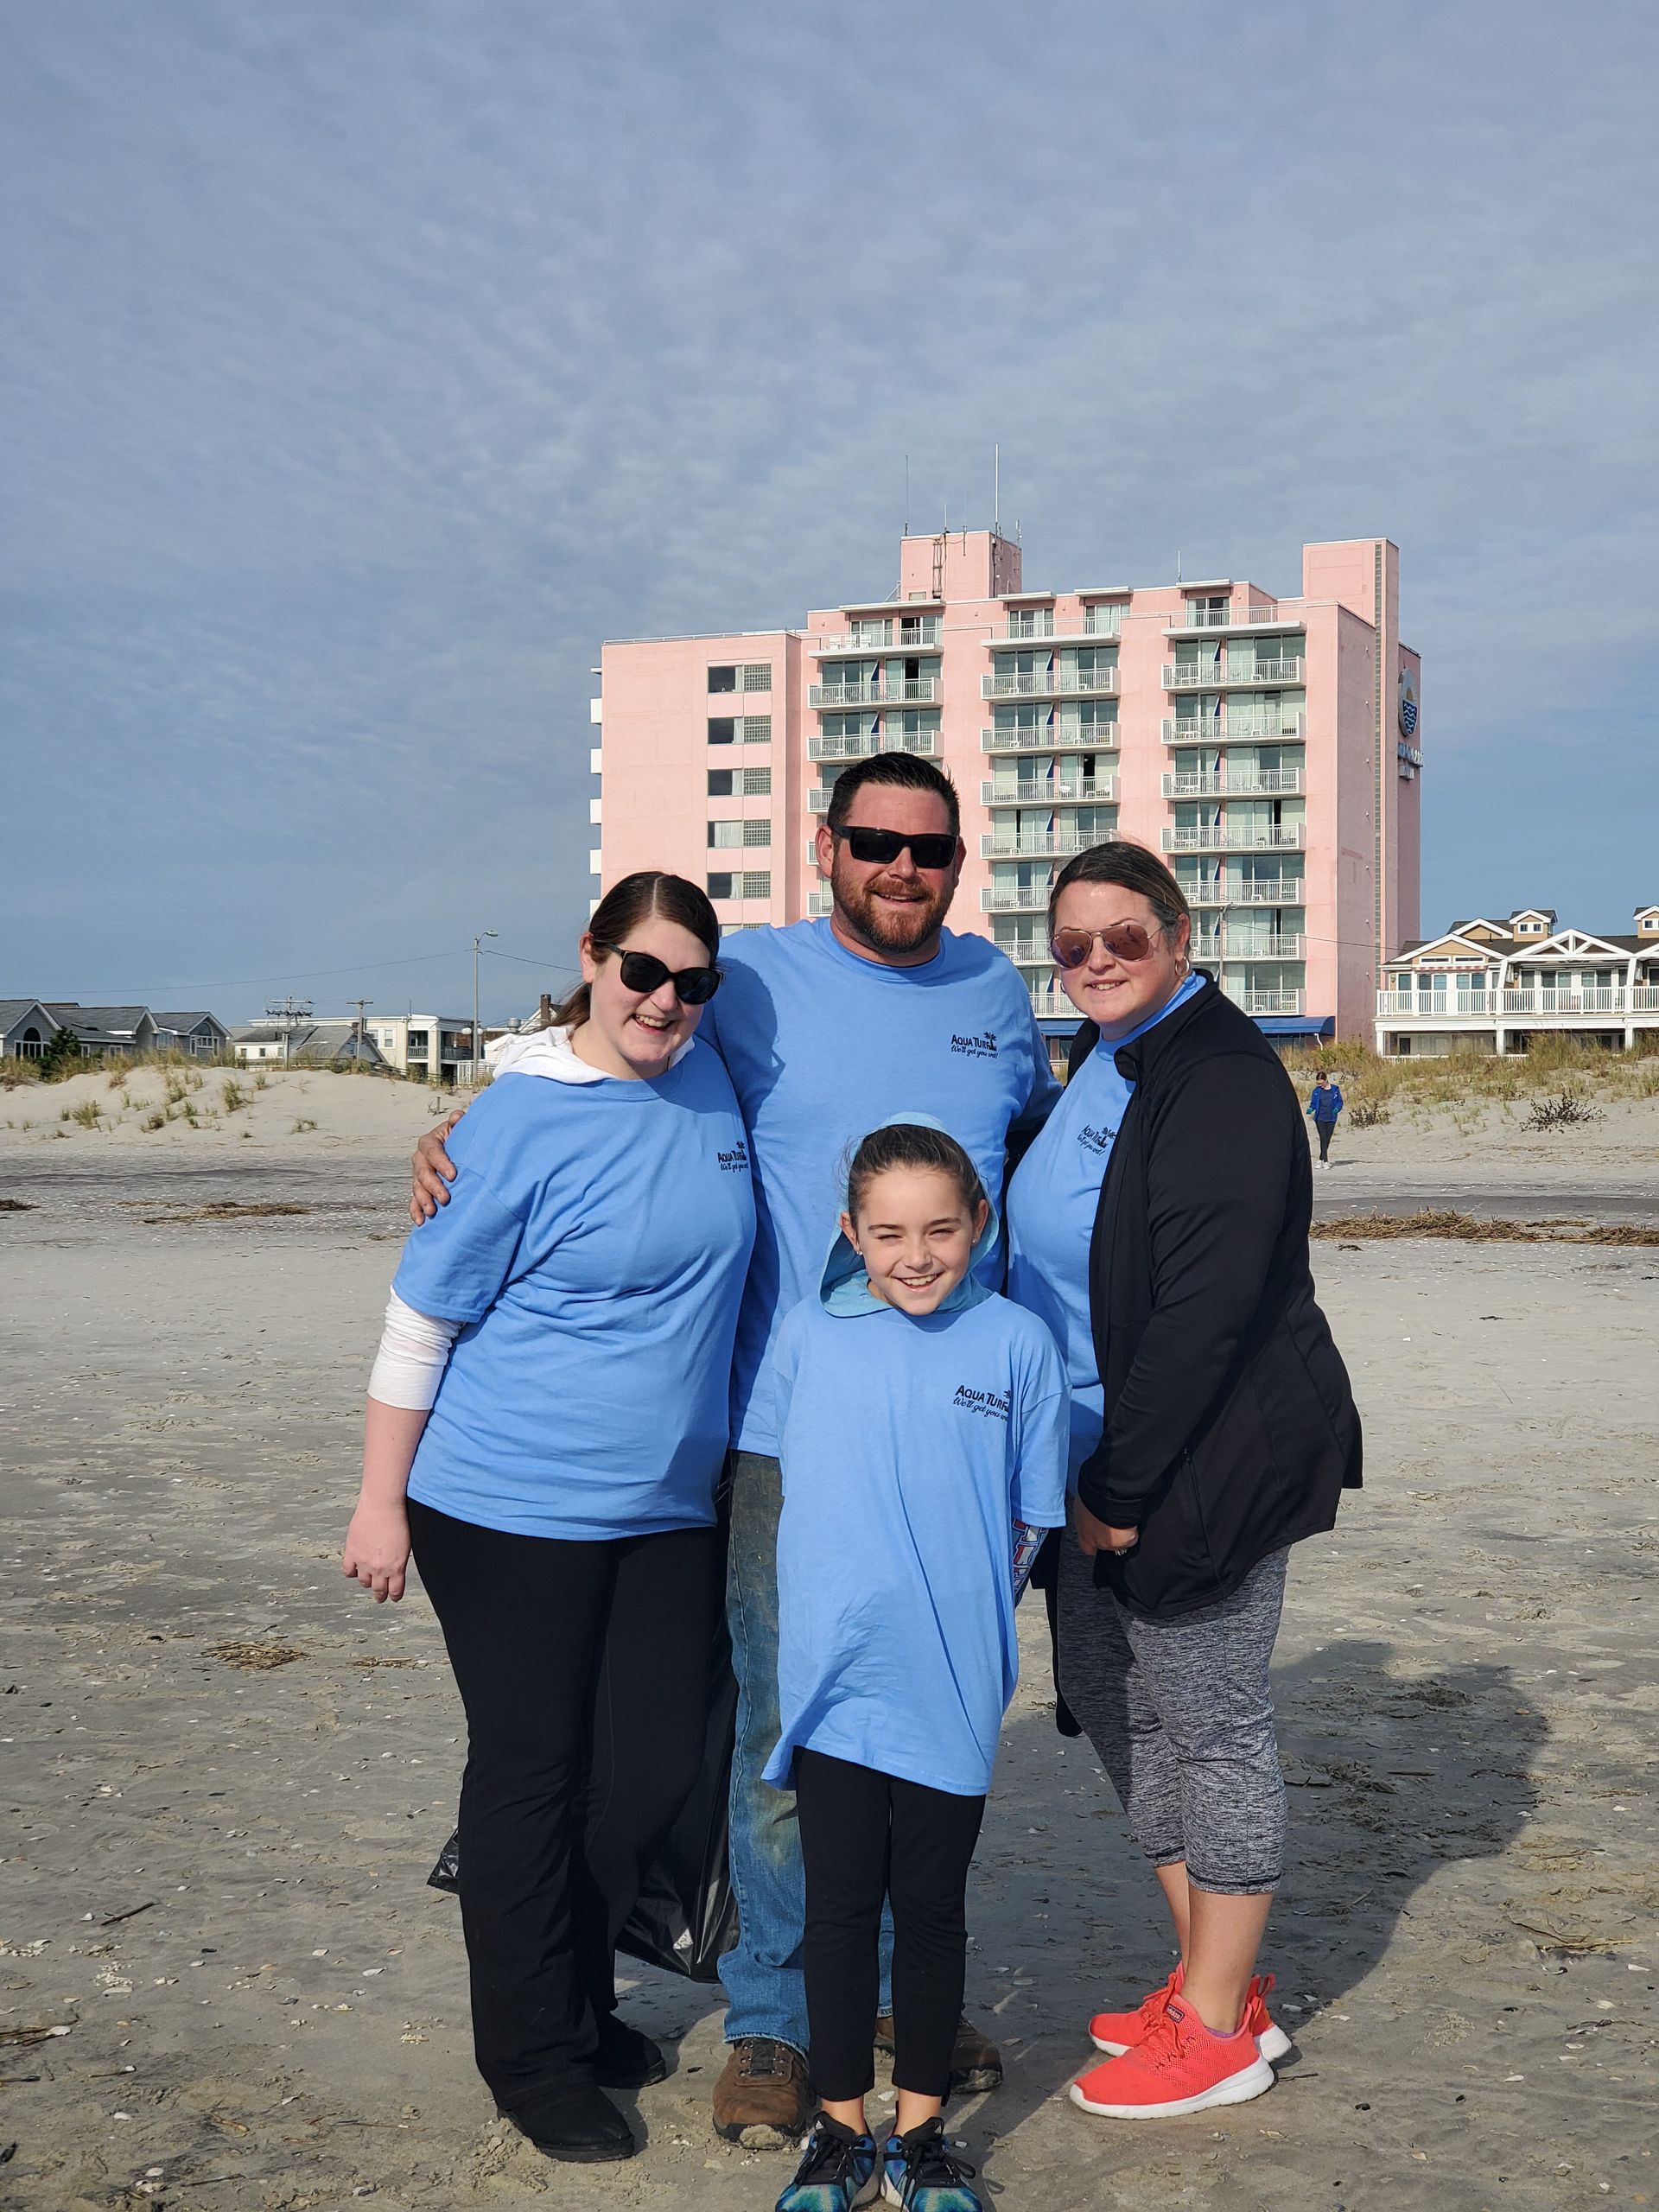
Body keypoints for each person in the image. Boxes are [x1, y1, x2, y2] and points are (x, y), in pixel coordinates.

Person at [410, 752, 1060, 2145]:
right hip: (782, 1434)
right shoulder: (751, 978)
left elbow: (1045, 1168)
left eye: (929, 849)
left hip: (957, 1435)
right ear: (827, 846)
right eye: (875, 841)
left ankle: (892, 1998)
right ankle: (773, 2019)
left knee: (934, 1724)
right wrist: (476, 1102)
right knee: (785, 1738)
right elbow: (616, 1027)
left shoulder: (999, 998)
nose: (902, 867)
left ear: (960, 862)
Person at [344, 870, 755, 2164]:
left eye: (693, 982)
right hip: (503, 1505)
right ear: (593, 958)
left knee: (646, 1773)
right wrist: (378, 1503)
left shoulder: (708, 1076)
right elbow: (423, 1316)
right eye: (641, 971)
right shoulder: (515, 1122)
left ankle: (579, 2003)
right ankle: (532, 2057)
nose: (665, 1001)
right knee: (533, 1776)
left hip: (666, 1507)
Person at [1003, 841, 1362, 2121]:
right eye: (1073, 945)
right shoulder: (1108, 1057)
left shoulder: (1217, 1075)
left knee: (1211, 1726)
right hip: (1094, 1453)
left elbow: (1204, 1309)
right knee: (1117, 1704)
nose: (1096, 960)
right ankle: (1214, 1979)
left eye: (1123, 938)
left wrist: (1123, 1484)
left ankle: (1213, 2024)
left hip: (1198, 1458)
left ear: (1180, 935)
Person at [770, 1121, 1066, 2212]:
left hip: (948, 1682)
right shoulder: (808, 1332)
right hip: (836, 1681)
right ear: (850, 1232)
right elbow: (790, 1494)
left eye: (941, 1228)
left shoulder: (1019, 1345)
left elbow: (1032, 1524)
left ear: (979, 1224)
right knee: (841, 1907)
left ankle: (924, 2135)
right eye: (887, 1232)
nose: (916, 1253)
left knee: (932, 1907)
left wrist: (965, 1615)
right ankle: (841, 2135)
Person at [1307, 1071, 1344, 1164]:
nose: (1320, 1085)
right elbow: (1314, 1103)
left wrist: (1337, 1109)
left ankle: (1320, 1159)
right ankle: (1326, 1161)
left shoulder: (1335, 1089)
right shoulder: (1317, 1091)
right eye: (1318, 1083)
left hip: (1331, 1118)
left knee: (1327, 1139)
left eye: (1321, 1083)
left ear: (1326, 1080)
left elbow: (1340, 1102)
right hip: (1320, 1118)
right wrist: (1311, 1108)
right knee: (1323, 1138)